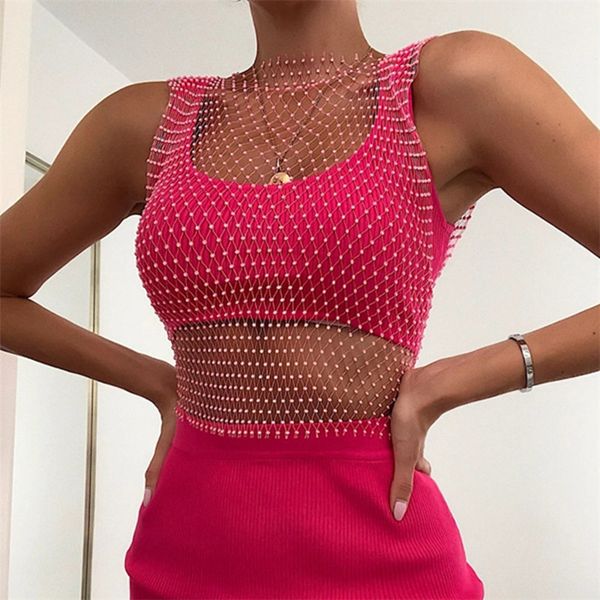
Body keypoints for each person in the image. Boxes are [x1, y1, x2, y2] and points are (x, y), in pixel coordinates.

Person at [1, 0, 598, 598]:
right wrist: (158, 383)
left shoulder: (453, 86)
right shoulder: (143, 125)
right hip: (186, 549)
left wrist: (455, 380)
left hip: (382, 553)